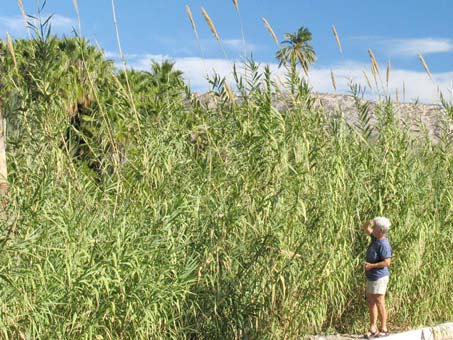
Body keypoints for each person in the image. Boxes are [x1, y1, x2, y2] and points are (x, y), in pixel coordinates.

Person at [362, 217, 392, 338]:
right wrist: (370, 222)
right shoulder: (375, 238)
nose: (372, 229)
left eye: (375, 227)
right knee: (371, 301)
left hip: (379, 277)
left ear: (380, 230)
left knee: (379, 302)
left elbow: (387, 262)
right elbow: (365, 228)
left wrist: (371, 266)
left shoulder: (384, 244)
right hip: (371, 276)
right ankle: (373, 328)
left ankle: (384, 328)